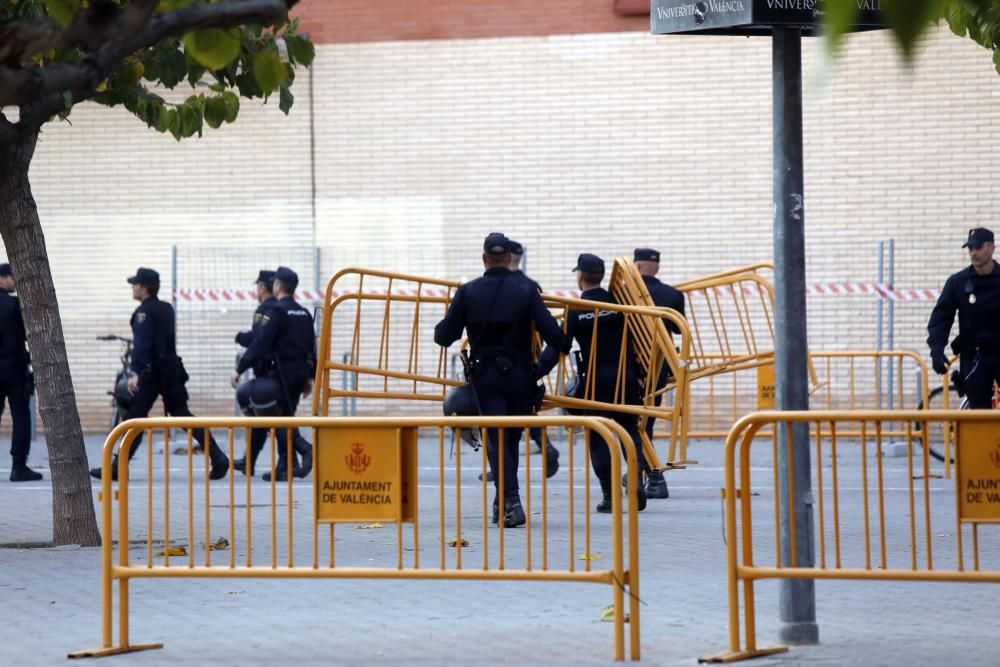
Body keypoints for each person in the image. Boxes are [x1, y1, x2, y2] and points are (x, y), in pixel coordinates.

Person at [434, 233, 568, 528]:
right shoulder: (527, 289)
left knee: (496, 438)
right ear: (509, 258)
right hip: (521, 375)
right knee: (511, 438)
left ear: (484, 259)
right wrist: (539, 369)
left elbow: (444, 337)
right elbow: (556, 337)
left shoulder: (468, 292)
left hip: (486, 376)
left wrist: (448, 318)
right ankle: (503, 501)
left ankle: (511, 501)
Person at [90, 268, 229, 481]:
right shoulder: (166, 308)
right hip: (172, 369)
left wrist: (136, 371)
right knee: (183, 415)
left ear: (144, 288)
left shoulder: (144, 312)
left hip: (152, 373)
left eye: (135, 284)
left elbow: (143, 344)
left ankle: (118, 468)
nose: (133, 287)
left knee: (134, 418)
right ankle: (218, 458)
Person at [537, 253, 648, 513]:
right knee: (629, 430)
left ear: (580, 277)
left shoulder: (574, 310)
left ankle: (610, 497)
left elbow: (559, 347)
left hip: (596, 380)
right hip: (627, 377)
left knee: (599, 436)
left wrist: (538, 371)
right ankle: (636, 481)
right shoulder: (622, 305)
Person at [232, 266, 316, 482]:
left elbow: (261, 343)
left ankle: (305, 449)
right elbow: (312, 347)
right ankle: (286, 465)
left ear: (277, 286)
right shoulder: (304, 312)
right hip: (300, 373)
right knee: (284, 415)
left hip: (282, 372)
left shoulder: (277, 311)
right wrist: (310, 377)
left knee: (277, 416)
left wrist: (239, 369)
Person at [632, 247, 684, 499]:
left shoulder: (622, 294)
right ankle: (643, 473)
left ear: (637, 267)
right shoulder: (672, 295)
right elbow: (677, 328)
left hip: (628, 368)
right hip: (657, 368)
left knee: (631, 425)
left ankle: (651, 476)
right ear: (657, 267)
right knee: (646, 422)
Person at [927, 227, 1000, 409]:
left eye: (978, 247)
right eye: (970, 248)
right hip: (975, 356)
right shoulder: (958, 282)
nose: (973, 253)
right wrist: (936, 349)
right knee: (978, 411)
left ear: (991, 248)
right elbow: (941, 318)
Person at [508, 239, 559, 477]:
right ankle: (545, 445)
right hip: (530, 356)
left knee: (497, 412)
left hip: (500, 360)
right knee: (525, 406)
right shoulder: (532, 285)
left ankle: (500, 466)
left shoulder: (492, 284)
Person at [0, 263, 41, 482]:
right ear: (2, 279)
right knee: (21, 416)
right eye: (12, 278)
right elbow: (27, 334)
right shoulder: (14, 305)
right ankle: (19, 466)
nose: (15, 282)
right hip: (13, 367)